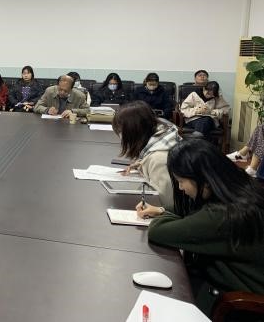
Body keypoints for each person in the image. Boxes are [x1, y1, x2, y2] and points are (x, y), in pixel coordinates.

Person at [140, 139, 264, 315]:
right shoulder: (240, 191)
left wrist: (163, 215)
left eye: (181, 181)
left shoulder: (221, 216)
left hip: (242, 307)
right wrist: (161, 209)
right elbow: (192, 210)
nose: (180, 188)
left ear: (205, 180)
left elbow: (158, 231)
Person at [112, 101, 180, 211]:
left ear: (133, 132)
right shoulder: (159, 139)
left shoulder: (159, 159)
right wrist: (141, 164)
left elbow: (166, 204)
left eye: (121, 132)